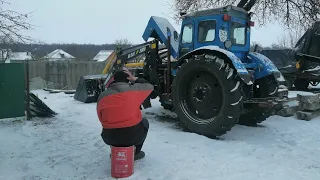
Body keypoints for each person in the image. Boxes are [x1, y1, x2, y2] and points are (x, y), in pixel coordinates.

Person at [96, 68, 154, 160]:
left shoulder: (102, 96)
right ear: (128, 80)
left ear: (113, 80)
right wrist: (134, 78)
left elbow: (101, 118)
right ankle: (136, 153)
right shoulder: (135, 91)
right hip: (132, 136)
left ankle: (116, 151)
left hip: (109, 137)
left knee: (111, 124)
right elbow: (149, 86)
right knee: (145, 122)